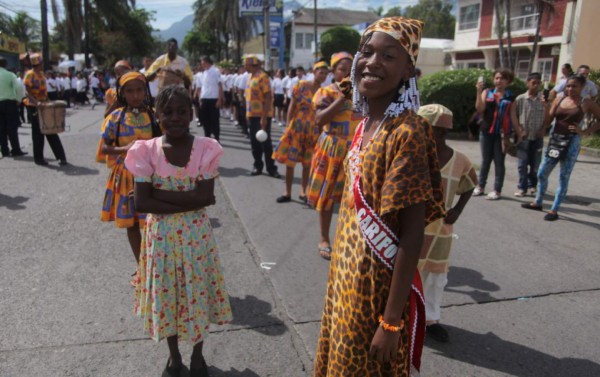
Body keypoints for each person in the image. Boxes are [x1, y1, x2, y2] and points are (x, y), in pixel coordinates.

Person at [314, 17, 445, 376]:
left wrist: (390, 322)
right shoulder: (366, 124)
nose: (372, 62)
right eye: (366, 52)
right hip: (345, 279)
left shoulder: (408, 131)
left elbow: (412, 233)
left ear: (408, 71)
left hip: (375, 292)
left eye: (389, 56)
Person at [125, 85, 232, 377]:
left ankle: (197, 357)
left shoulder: (206, 149)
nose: (175, 117)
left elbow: (201, 198)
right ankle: (174, 357)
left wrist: (159, 198)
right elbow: (144, 203)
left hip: (196, 239)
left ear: (191, 113)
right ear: (156, 115)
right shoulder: (146, 151)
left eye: (182, 111)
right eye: (167, 112)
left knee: (196, 294)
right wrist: (193, 200)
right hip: (161, 239)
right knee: (167, 296)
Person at [417, 104, 477, 343]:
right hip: (411, 228)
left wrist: (458, 210)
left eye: (443, 131)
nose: (438, 136)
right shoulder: (410, 155)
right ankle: (402, 317)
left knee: (435, 277)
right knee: (407, 273)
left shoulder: (459, 160)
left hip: (440, 230)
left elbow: (470, 185)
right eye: (432, 130)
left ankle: (431, 319)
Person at [100, 72, 160, 280]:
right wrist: (125, 148)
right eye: (129, 91)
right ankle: (142, 267)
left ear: (145, 91)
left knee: (155, 222)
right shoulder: (115, 118)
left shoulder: (154, 115)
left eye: (139, 90)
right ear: (122, 93)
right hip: (125, 176)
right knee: (133, 224)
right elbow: (106, 146)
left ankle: (157, 265)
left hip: (151, 176)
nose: (135, 95)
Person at [305, 51, 362, 260]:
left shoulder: (363, 92)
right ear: (334, 71)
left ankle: (350, 238)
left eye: (351, 70)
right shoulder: (326, 92)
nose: (348, 73)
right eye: (342, 69)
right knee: (328, 197)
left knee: (355, 198)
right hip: (333, 149)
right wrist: (342, 98)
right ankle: (324, 238)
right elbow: (319, 119)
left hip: (356, 150)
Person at [521, 74, 600, 221]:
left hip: (572, 142)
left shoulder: (586, 102)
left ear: (582, 87)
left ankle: (554, 209)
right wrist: (546, 107)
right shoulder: (560, 99)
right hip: (555, 140)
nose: (570, 89)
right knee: (542, 173)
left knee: (564, 176)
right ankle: (538, 201)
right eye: (568, 86)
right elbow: (549, 119)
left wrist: (584, 132)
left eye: (574, 86)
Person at [272, 60, 329, 203]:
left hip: (313, 131)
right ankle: (287, 192)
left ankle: (303, 191)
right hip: (296, 128)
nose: (322, 75)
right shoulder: (302, 86)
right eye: (320, 72)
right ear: (314, 72)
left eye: (325, 73)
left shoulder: (324, 92)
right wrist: (288, 126)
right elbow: (292, 107)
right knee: (290, 162)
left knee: (307, 163)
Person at [473, 68, 516, 200]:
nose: (499, 81)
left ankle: (497, 189)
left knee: (499, 161)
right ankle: (480, 186)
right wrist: (478, 91)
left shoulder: (511, 96)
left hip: (502, 133)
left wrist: (518, 132)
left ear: (507, 81)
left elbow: (513, 116)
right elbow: (480, 109)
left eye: (502, 78)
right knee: (485, 160)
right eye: (497, 78)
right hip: (486, 131)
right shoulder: (488, 92)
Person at [510, 72, 550, 197]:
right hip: (524, 137)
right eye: (533, 83)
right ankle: (522, 187)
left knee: (535, 165)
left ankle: (532, 185)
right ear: (528, 83)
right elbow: (514, 115)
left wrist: (544, 128)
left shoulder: (543, 100)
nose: (536, 86)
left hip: (537, 137)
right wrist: (519, 130)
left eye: (538, 83)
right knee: (522, 164)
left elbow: (548, 117)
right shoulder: (521, 99)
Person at [23, 53, 67, 166]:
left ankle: (61, 157)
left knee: (51, 131)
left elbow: (44, 92)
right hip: (34, 106)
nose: (42, 65)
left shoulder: (42, 75)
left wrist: (48, 101)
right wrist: (36, 102)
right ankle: (39, 159)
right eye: (41, 63)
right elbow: (27, 92)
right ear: (38, 64)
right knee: (38, 134)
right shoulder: (29, 75)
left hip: (44, 104)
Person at [244, 55, 280, 178]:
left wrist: (264, 118)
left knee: (265, 142)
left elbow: (268, 97)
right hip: (252, 115)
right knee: (254, 142)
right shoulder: (250, 77)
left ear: (252, 65)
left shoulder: (262, 77)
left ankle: (271, 168)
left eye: (246, 64)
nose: (244, 67)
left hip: (262, 116)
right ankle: (257, 165)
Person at [0, 56, 26, 158]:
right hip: (10, 103)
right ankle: (15, 149)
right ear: (6, 65)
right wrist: (18, 99)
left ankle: (4, 150)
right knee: (12, 127)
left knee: (1, 128)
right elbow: (19, 87)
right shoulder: (10, 75)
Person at [195, 56, 224, 141]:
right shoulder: (204, 73)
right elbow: (202, 87)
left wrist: (219, 99)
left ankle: (216, 137)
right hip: (205, 99)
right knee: (205, 120)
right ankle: (207, 137)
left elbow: (220, 85)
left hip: (213, 99)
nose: (201, 64)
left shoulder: (215, 71)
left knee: (214, 120)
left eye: (203, 62)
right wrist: (200, 99)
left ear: (207, 62)